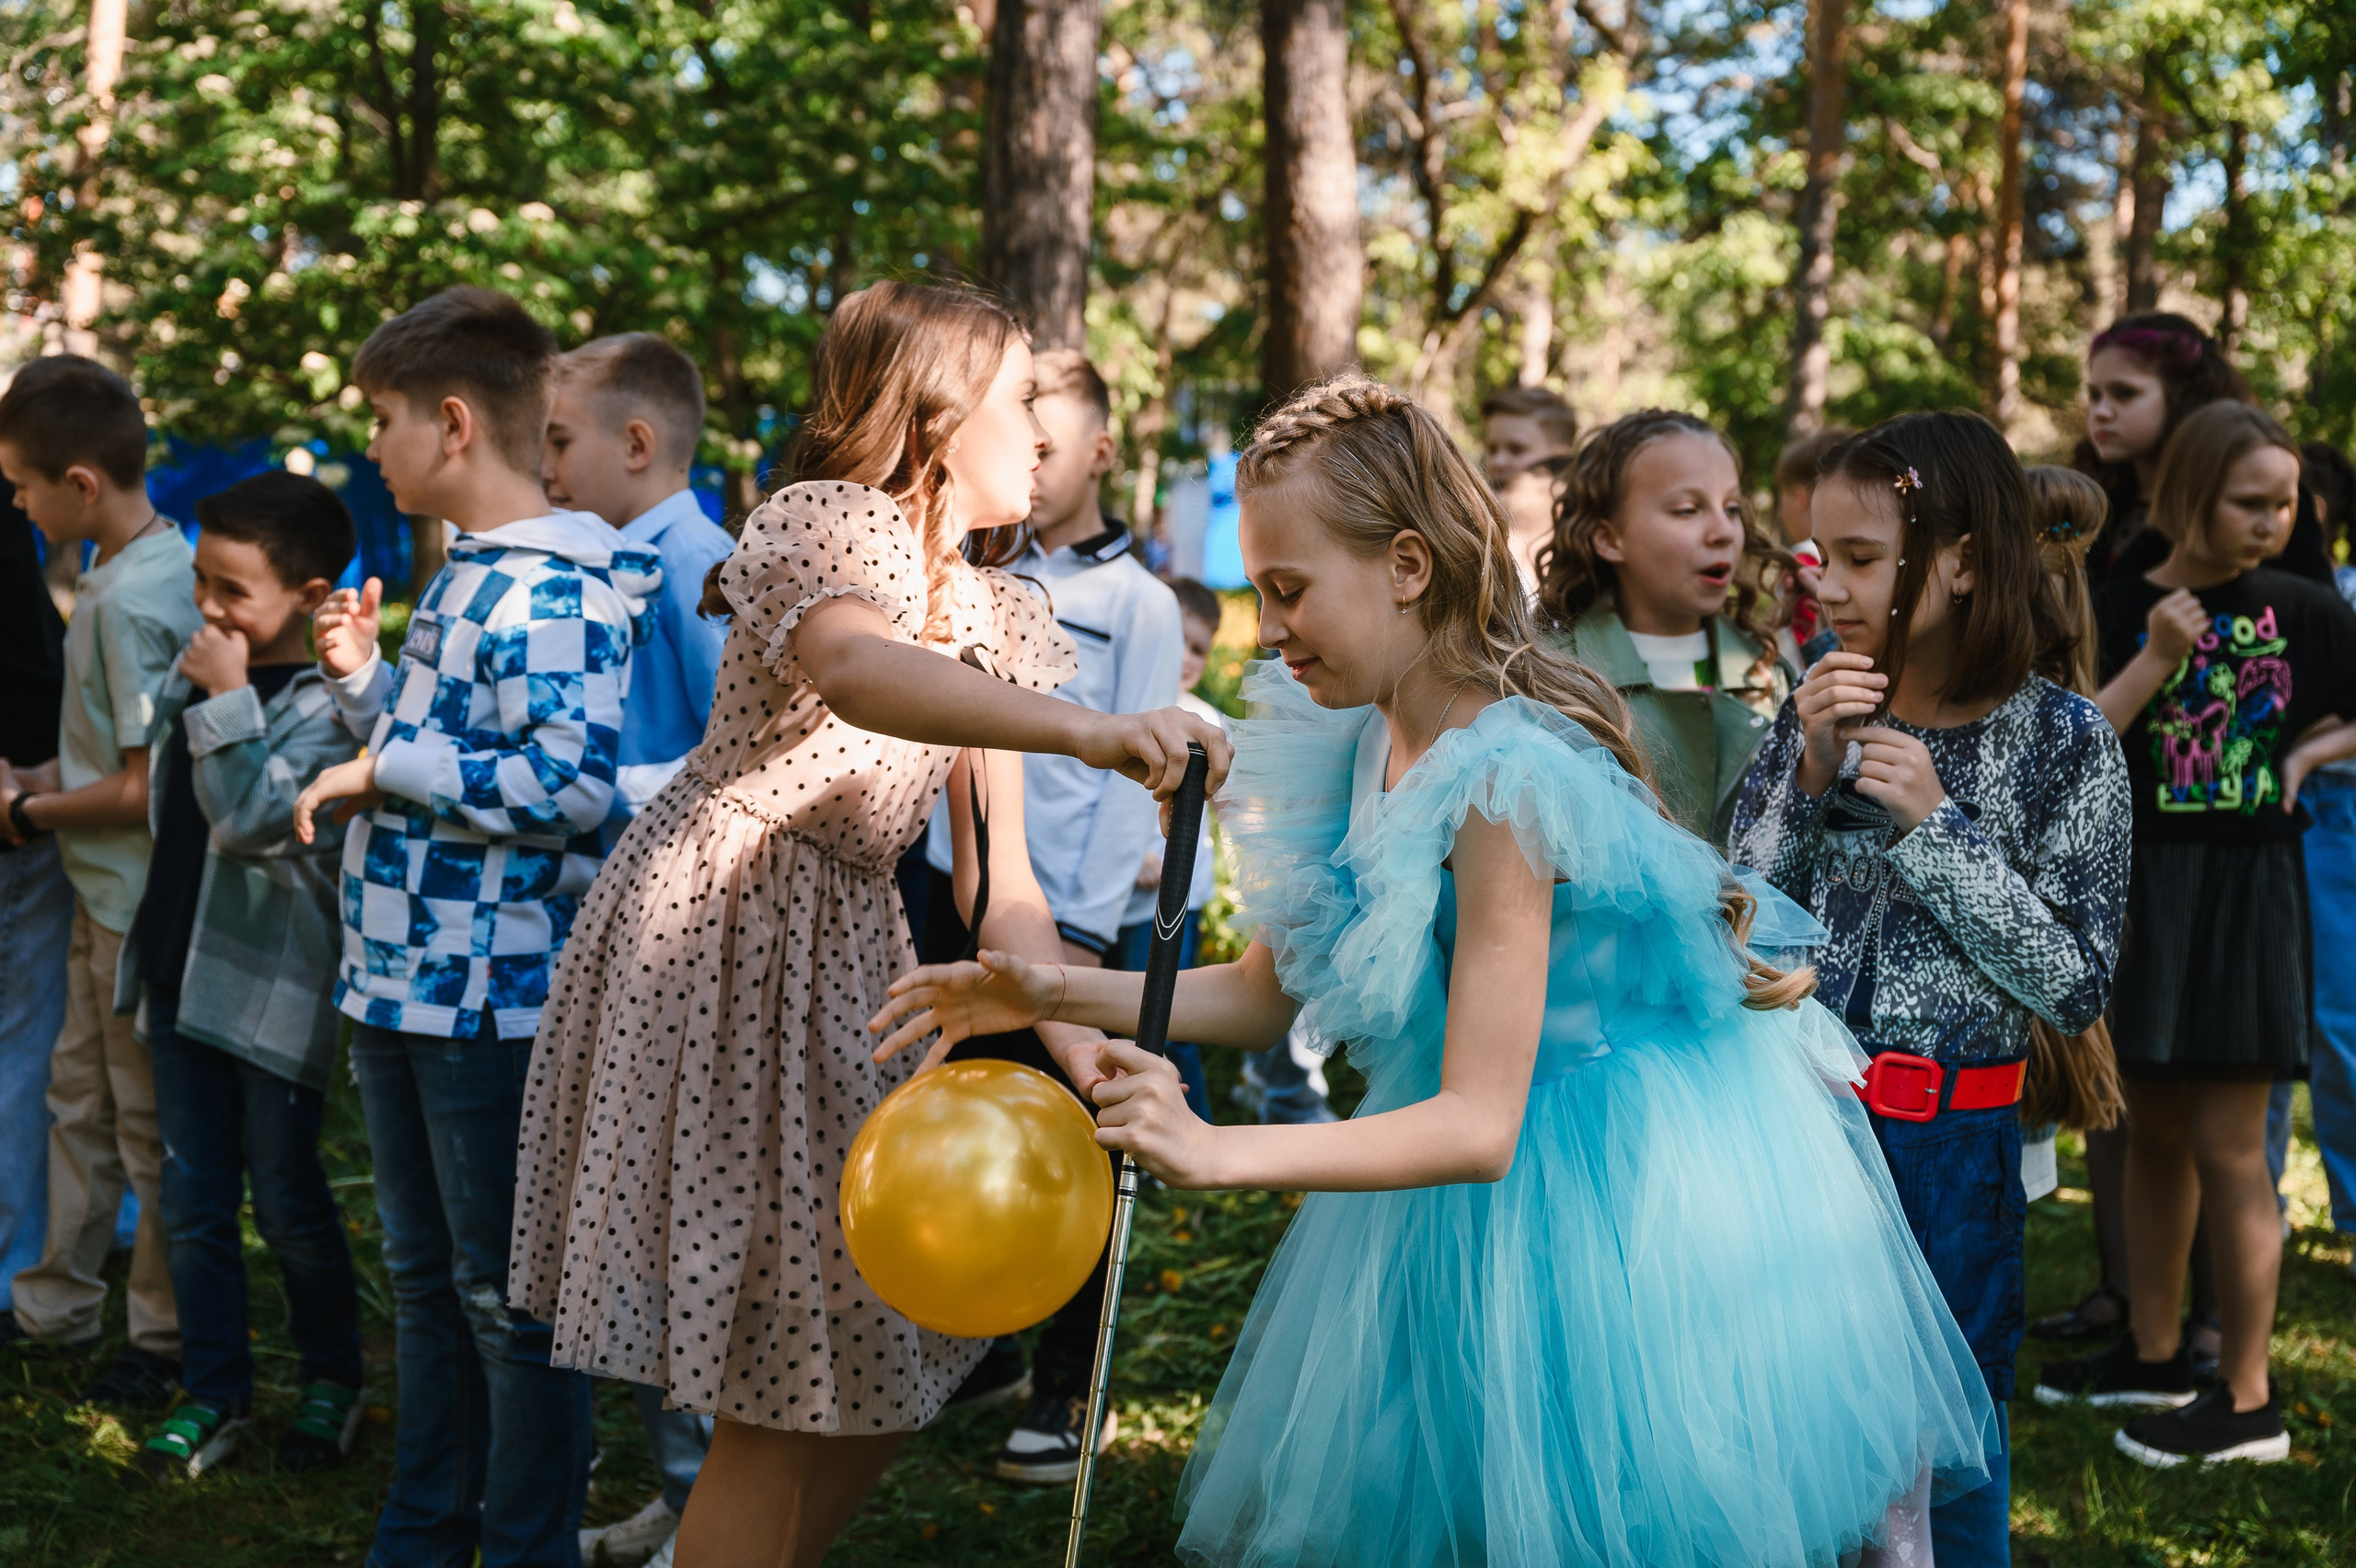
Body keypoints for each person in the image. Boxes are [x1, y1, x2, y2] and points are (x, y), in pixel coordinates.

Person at [872, 375, 1993, 1568]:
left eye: (1289, 589)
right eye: (1260, 592)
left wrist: (1216, 1149)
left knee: (1591, 1505)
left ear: (1406, 566)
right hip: (1455, 1172)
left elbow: (1480, 1125)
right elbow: (1259, 997)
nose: (1270, 626)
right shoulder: (1354, 734)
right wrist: (1046, 990)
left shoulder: (1501, 782)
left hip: (1611, 1187)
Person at [502, 281, 1225, 1568]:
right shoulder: (826, 521)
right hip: (727, 934)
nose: (1043, 433)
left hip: (847, 954)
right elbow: (854, 668)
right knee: (781, 1358)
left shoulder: (989, 604)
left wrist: (1083, 1049)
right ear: (937, 416)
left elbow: (1001, 887)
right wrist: (1096, 733)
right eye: (1021, 400)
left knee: (891, 1339)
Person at [291, 286, 663, 1566]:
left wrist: (381, 764)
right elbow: (447, 753)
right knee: (428, 1282)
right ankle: (425, 1533)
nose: (371, 447)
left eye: (381, 419)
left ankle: (523, 1548)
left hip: (487, 1002)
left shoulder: (553, 590)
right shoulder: (473, 573)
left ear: (451, 424)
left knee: (510, 1301)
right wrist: (365, 687)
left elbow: (564, 789)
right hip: (399, 982)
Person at [1729, 412, 2132, 1566]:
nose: (1828, 587)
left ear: (1959, 560)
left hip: (1949, 1150)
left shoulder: (2064, 742)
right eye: (1822, 557)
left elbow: (2074, 984)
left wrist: (1935, 828)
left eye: (1861, 559)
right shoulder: (1820, 706)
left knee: (1950, 1458)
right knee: (1798, 1432)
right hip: (1797, 1134)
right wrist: (1806, 776)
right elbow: (1732, 918)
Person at [2037, 402, 2356, 1467]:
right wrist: (2154, 656)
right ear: (2187, 495)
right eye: (2247, 502)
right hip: (2143, 889)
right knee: (2152, 1133)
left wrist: (2305, 759)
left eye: (2284, 504)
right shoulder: (2121, 602)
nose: (2271, 522)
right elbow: (2074, 746)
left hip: (2249, 896)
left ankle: (2248, 1399)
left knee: (2228, 1146)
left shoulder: (2304, 608)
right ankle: (2153, 1351)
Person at [903, 346, 1184, 1485]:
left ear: (1100, 453)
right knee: (970, 1113)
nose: (1031, 455)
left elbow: (1137, 779)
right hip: (954, 890)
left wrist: (1080, 930)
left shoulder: (1140, 602)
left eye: (1050, 441)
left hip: (1067, 915)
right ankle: (983, 1340)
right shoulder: (972, 573)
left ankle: (1070, 1378)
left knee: (1075, 1135)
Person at [114, 472, 369, 1479]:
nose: (208, 608)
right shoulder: (200, 675)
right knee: (193, 1199)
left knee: (290, 1199)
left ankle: (333, 1378)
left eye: (232, 589)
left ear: (306, 598)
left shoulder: (327, 706)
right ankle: (214, 1388)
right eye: (201, 583)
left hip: (269, 995)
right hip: (178, 970)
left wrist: (226, 698)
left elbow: (254, 819)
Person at [543, 329, 734, 1568]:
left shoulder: (701, 570)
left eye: (559, 441)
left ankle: (717, 1506)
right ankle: (684, 1489)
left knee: (689, 1226)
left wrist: (581, 788)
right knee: (641, 1224)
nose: (546, 466)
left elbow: (740, 759)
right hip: (621, 932)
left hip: (688, 943)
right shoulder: (612, 561)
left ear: (636, 441)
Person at [0, 356, 200, 1412]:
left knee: (142, 1126)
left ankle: (159, 1337)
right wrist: (41, 776)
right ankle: (52, 1305)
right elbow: (106, 764)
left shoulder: (131, 603)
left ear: (79, 484)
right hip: (95, 894)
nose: (16, 508)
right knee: (74, 1099)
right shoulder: (126, 569)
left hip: (133, 912)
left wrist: (27, 814)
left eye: (22, 488)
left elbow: (143, 790)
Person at [1537, 409, 1792, 849]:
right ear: (1608, 538)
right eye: (1687, 510)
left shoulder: (1770, 674)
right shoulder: (1550, 676)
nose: (1724, 532)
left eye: (1732, 509)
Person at [0, 481, 73, 1335]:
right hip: (27, 789)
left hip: (22, 805)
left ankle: (14, 1265)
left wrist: (28, 798)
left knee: (24, 1037)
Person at [2074, 311, 2251, 590]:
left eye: (2125, 393)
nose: (2101, 412)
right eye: (2095, 395)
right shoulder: (2094, 500)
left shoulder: (2246, 499)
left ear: (2183, 397)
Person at [2301, 438, 2356, 1240]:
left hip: (2337, 812)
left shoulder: (2347, 593)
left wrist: (2304, 748)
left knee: (2339, 1020)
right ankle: (2258, 1207)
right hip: (2270, 810)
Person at [1479, 386, 1576, 594]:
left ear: (1560, 458)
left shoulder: (1580, 542)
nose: (1498, 462)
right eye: (1492, 449)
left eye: (1516, 449)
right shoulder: (1476, 532)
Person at [1773, 426, 1852, 669]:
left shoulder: (1803, 560)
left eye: (1781, 497)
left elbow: (1803, 643)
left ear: (1800, 496)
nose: (1781, 512)